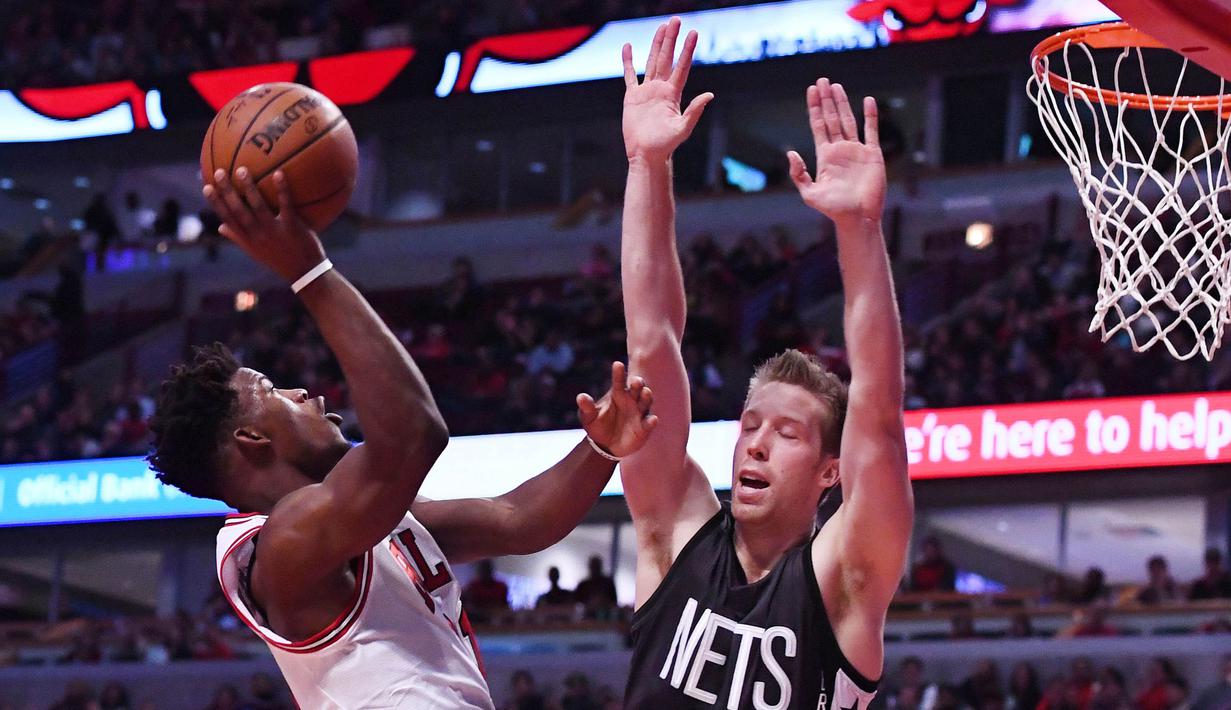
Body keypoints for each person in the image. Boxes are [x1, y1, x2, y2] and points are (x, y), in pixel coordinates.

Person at [158, 168, 659, 709]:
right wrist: (309, 270)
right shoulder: (285, 545)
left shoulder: (360, 519)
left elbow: (518, 518)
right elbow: (415, 434)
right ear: (253, 438)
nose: (305, 392)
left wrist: (601, 446)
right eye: (273, 389)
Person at [616, 18, 910, 708]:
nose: (755, 442)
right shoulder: (675, 531)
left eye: (787, 434)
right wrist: (646, 165)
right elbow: (651, 339)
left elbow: (879, 414)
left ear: (830, 471)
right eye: (752, 425)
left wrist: (858, 231)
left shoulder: (844, 581)